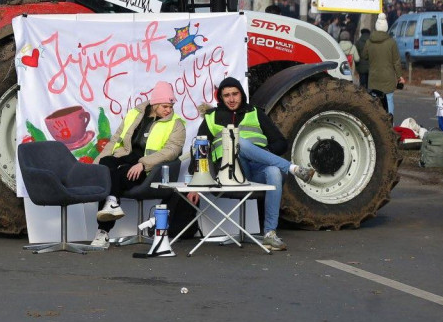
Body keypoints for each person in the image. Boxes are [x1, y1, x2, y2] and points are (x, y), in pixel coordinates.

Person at [198, 76, 315, 251]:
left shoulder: (255, 112)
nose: (231, 99)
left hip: (257, 169)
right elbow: (200, 149)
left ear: (241, 94)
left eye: (235, 94)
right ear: (220, 98)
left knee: (274, 172)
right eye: (226, 95)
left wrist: (264, 154)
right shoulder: (211, 117)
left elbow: (281, 142)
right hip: (231, 170)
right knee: (239, 142)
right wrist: (195, 180)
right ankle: (293, 168)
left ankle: (269, 233)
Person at [90, 82, 185, 248]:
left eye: (171, 106)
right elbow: (115, 140)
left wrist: (143, 164)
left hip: (150, 169)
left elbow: (171, 151)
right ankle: (111, 202)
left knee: (118, 174)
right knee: (105, 166)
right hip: (127, 157)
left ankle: (103, 232)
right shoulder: (135, 114)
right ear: (154, 104)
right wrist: (96, 164)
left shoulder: (176, 124)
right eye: (164, 106)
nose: (168, 110)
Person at [363, 15, 401, 116]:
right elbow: (396, 61)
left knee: (375, 101)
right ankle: (390, 123)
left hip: (374, 77)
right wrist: (399, 77)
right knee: (389, 101)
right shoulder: (391, 42)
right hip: (388, 78)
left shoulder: (369, 42)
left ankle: (377, 122)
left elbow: (364, 56)